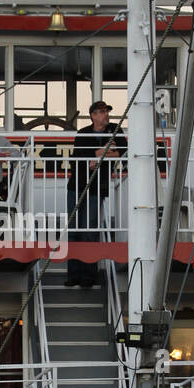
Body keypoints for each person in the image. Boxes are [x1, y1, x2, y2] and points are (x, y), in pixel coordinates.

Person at [65, 101, 127, 287]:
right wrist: (101, 153)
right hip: (76, 185)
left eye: (106, 111)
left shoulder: (115, 130)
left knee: (90, 229)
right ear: (93, 115)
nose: (106, 115)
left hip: (97, 186)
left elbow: (121, 153)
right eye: (101, 112)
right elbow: (77, 158)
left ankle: (89, 276)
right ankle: (74, 274)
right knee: (74, 229)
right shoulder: (83, 133)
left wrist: (97, 156)